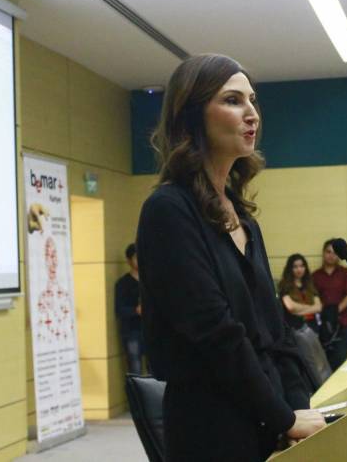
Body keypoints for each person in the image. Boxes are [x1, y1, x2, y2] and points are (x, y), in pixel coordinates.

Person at [136, 54, 324, 461]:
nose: (252, 113)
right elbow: (216, 336)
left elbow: (276, 332)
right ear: (192, 115)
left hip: (266, 417)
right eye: (233, 100)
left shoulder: (243, 218)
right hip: (213, 431)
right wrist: (283, 418)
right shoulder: (168, 210)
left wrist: (298, 408)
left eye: (252, 100)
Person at [312, 239, 347, 371]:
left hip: (343, 322)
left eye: (334, 253)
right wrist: (326, 314)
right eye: (328, 252)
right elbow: (312, 296)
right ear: (323, 253)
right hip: (323, 325)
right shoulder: (315, 276)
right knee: (324, 363)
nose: (331, 255)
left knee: (341, 361)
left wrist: (335, 311)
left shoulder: (346, 273)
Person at [114, 243, 143, 374]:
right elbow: (119, 310)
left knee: (156, 370)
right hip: (132, 332)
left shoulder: (151, 280)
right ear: (129, 260)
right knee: (135, 368)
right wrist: (136, 311)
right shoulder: (123, 283)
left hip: (151, 330)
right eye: (136, 257)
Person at [278, 254, 321, 331]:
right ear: (290, 269)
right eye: (295, 267)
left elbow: (318, 307)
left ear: (305, 268)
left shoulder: (310, 284)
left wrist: (297, 312)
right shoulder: (284, 285)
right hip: (294, 328)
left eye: (302, 266)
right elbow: (291, 307)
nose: (299, 269)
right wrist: (311, 308)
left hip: (312, 328)